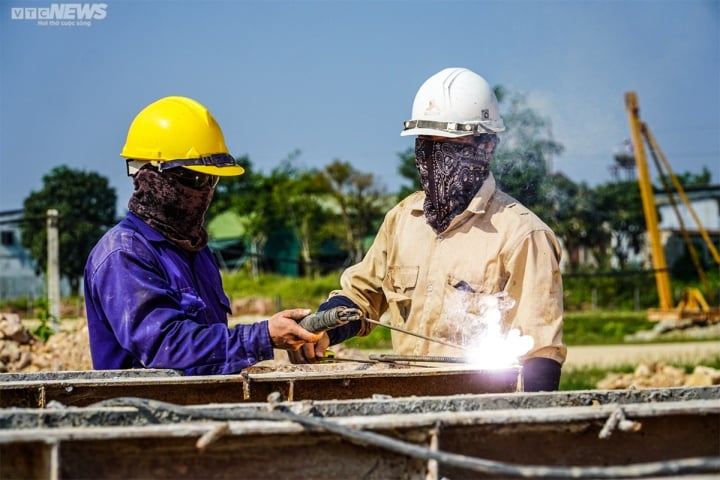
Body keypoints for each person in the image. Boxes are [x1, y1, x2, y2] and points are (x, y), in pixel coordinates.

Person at [293, 68, 566, 391]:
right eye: (427, 144)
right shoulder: (402, 220)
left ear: (487, 146)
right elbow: (361, 296)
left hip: (483, 413)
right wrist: (323, 327)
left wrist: (531, 425)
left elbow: (540, 350)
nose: (436, 159)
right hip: (407, 405)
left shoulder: (522, 234)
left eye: (451, 145)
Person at [84, 96, 322, 375]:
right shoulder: (123, 254)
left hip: (200, 412)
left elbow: (209, 352)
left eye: (211, 179)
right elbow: (166, 348)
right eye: (194, 179)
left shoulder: (195, 250)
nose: (205, 191)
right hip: (147, 414)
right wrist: (262, 336)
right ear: (148, 175)